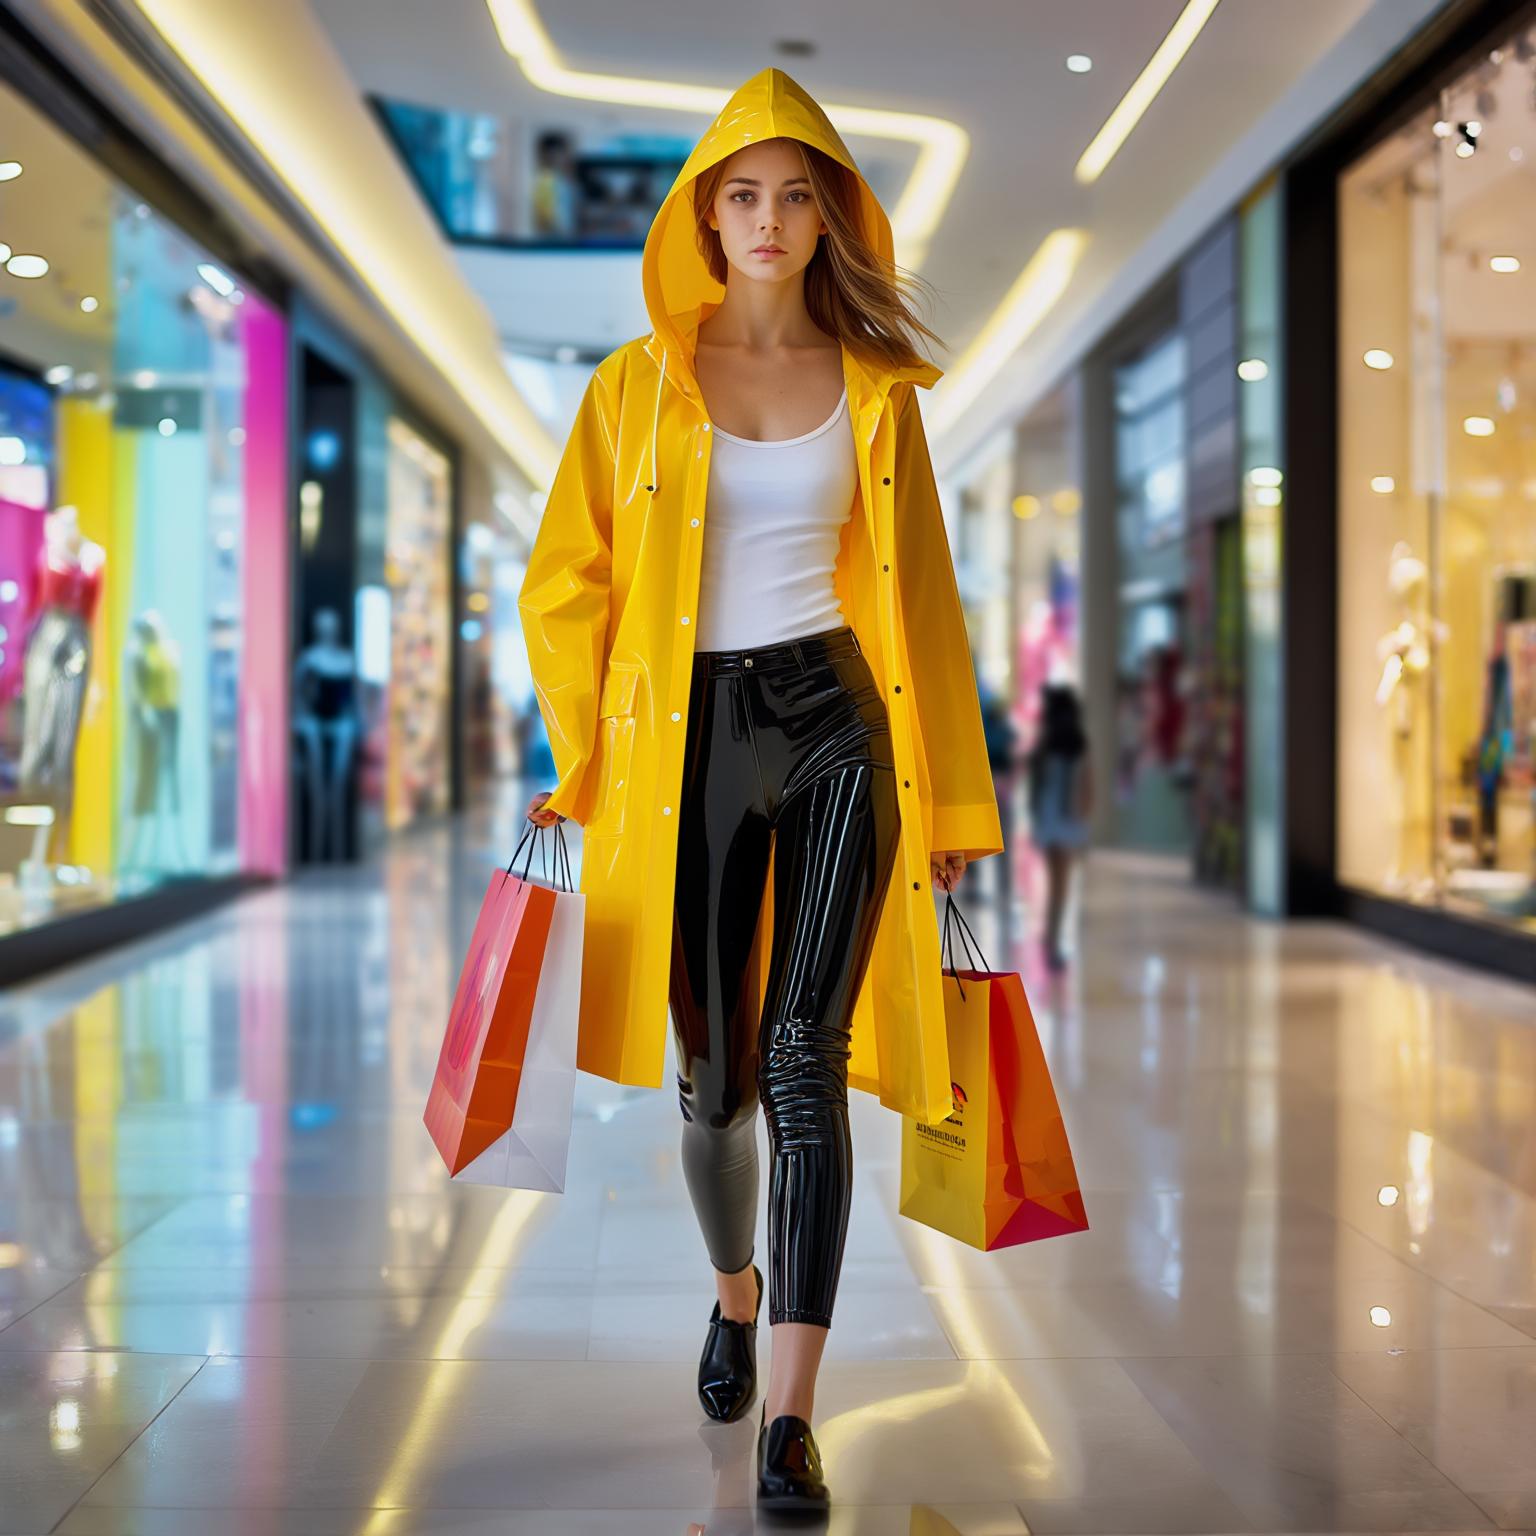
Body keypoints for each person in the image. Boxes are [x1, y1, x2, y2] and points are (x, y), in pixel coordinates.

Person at [518, 68, 1002, 1513]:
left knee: (805, 1055)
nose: (770, 219)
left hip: (839, 715)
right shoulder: (633, 390)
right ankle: (733, 1291)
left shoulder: (878, 395)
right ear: (704, 218)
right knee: (714, 1082)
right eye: (744, 194)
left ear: (830, 215)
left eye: (797, 194)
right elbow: (563, 588)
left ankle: (792, 1412)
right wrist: (581, 757)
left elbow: (923, 601)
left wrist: (960, 808)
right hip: (685, 736)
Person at [1026, 684, 1093, 971]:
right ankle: (1052, 942)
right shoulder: (1078, 744)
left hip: (1050, 820)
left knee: (1056, 884)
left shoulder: (1045, 744)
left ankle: (1050, 938)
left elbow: (1035, 785)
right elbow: (1089, 786)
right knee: (1060, 887)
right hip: (1069, 821)